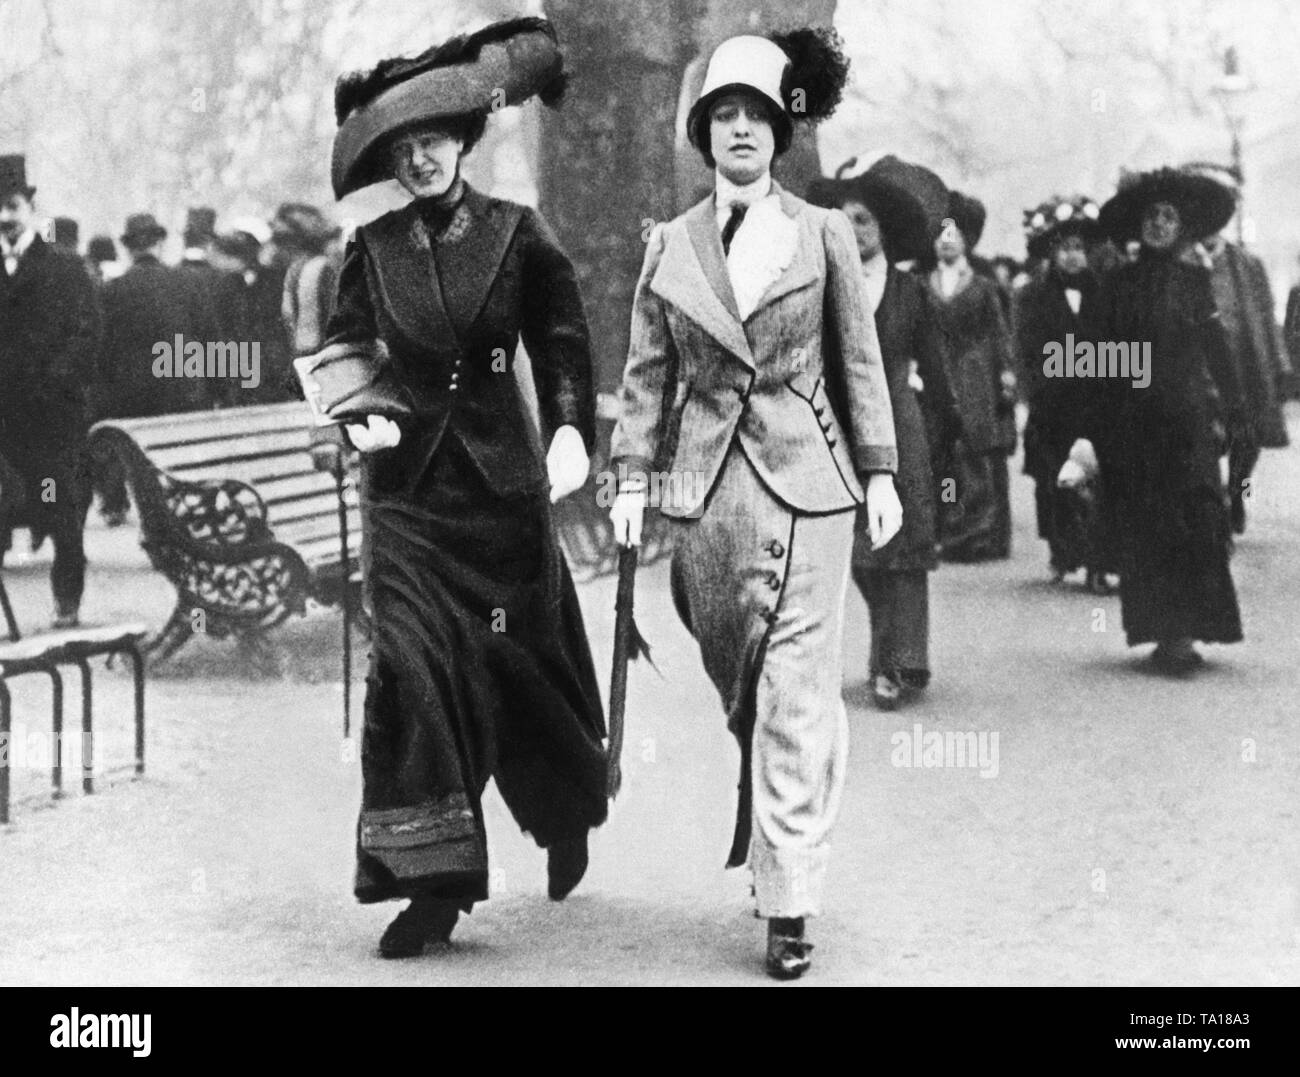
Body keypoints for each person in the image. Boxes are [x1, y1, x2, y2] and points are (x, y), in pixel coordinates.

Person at [609, 29, 901, 979]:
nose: (741, 131)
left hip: (813, 486)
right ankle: (776, 818)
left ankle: (789, 897)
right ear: (704, 135)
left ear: (783, 132)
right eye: (723, 117)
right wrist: (629, 477)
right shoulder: (669, 244)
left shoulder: (822, 234)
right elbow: (647, 376)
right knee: (742, 682)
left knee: (796, 696)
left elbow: (858, 361)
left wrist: (885, 472)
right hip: (701, 497)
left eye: (758, 117)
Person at [317, 16, 607, 959]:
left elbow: (563, 341)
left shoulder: (520, 236)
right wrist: (357, 408)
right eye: (403, 150)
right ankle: (431, 885)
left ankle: (565, 808)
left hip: (499, 491)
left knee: (523, 667)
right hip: (404, 496)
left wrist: (568, 428)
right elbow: (344, 348)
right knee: (411, 670)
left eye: (433, 141)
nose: (420, 160)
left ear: (462, 141)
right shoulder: (373, 246)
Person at [1066, 167, 1245, 674]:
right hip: (1134, 422)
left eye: (1169, 217)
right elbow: (1092, 354)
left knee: (1195, 518)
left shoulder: (1195, 281)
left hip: (1187, 420)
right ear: (1137, 225)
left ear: (1182, 226)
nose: (1160, 225)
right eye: (1152, 216)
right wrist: (1094, 417)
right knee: (1147, 523)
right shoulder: (1115, 284)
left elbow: (1215, 345)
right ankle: (1162, 631)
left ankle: (1189, 630)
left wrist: (1235, 407)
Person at [808, 155, 960, 711]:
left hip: (901, 429)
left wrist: (946, 436)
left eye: (864, 221)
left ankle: (898, 662)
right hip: (839, 434)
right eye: (844, 220)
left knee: (905, 545)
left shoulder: (911, 293)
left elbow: (939, 372)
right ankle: (889, 650)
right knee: (862, 554)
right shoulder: (820, 288)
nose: (854, 231)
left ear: (885, 231)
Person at [0, 155, 99, 626]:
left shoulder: (66, 269)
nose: (4, 215)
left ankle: (67, 602)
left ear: (30, 209)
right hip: (2, 419)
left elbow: (87, 335)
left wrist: (54, 383)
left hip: (52, 418)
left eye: (12, 205)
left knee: (62, 511)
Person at [1179, 167, 1290, 534]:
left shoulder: (1247, 264)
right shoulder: (1180, 263)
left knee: (1249, 440)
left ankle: (1238, 491)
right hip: (1199, 370)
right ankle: (1213, 507)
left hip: (1246, 368)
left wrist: (1279, 363)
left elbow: (1265, 317)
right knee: (1208, 439)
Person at [1015, 195, 1117, 590]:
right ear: (1051, 253)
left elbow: (1116, 343)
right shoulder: (1033, 295)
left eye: (1079, 248)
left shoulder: (1105, 292)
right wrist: (1037, 389)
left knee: (1097, 480)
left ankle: (1098, 562)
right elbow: (1026, 348)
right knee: (1053, 479)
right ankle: (1062, 552)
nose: (1073, 257)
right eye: (1065, 249)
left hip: (1095, 400)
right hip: (1053, 403)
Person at [927, 190, 1017, 561]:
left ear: (966, 241)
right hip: (935, 376)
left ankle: (981, 533)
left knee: (976, 453)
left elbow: (999, 332)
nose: (947, 242)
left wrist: (1007, 375)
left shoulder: (983, 286)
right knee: (942, 456)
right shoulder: (921, 284)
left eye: (954, 236)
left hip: (975, 376)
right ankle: (948, 526)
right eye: (941, 235)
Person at [100, 213, 219, 420]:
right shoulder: (189, 283)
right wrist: (217, 391)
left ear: (128, 248)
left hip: (134, 402)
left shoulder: (112, 290)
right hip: (184, 397)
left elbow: (105, 352)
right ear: (160, 242)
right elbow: (210, 340)